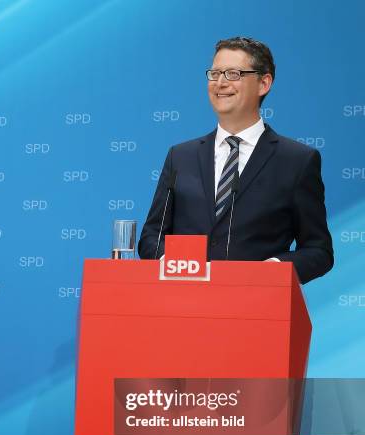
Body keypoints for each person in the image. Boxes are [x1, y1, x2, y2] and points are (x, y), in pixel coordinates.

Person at [138, 37, 333, 284]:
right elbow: (152, 236)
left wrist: (272, 271)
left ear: (264, 83)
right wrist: (173, 265)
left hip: (256, 310)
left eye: (233, 73)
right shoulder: (181, 156)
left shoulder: (297, 160)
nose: (220, 83)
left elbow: (319, 250)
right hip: (183, 307)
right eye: (215, 73)